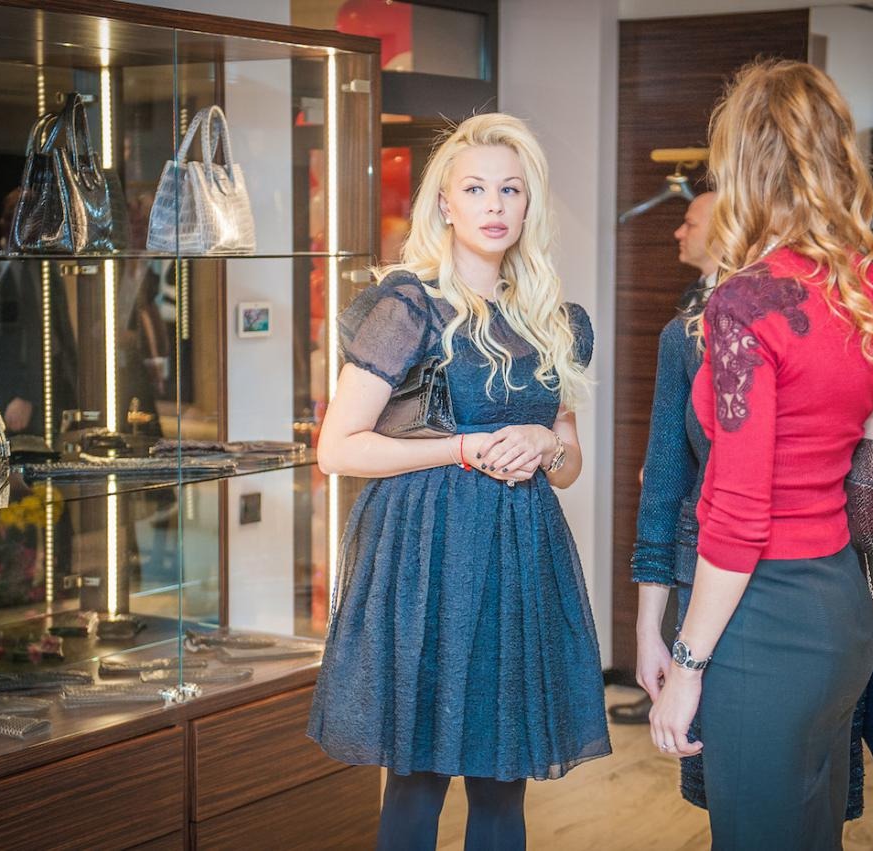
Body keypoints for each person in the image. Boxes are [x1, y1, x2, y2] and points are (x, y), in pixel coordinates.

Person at [648, 60, 873, 849]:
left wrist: (687, 664)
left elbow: (738, 515)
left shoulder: (745, 302)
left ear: (746, 166)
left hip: (760, 624)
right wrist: (854, 427)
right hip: (842, 612)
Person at [307, 113, 611, 851]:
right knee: (416, 782)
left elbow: (569, 468)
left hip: (517, 557)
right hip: (425, 558)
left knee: (504, 783)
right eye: (475, 189)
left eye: (510, 189)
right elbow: (337, 449)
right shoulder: (408, 305)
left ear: (529, 204)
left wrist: (546, 441)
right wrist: (463, 448)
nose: (494, 205)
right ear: (445, 204)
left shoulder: (556, 320)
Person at [609, 190, 718, 729]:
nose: (678, 232)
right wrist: (648, 630)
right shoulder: (686, 330)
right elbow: (664, 475)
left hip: (795, 575)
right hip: (704, 552)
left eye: (690, 222)